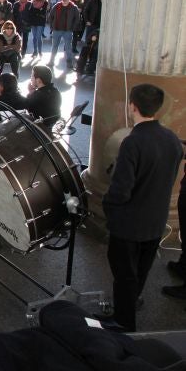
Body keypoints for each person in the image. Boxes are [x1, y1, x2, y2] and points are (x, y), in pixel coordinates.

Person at [101, 85, 183, 332]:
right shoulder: (172, 139)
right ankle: (132, 302)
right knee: (140, 271)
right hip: (156, 222)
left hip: (129, 226)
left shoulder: (132, 142)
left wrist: (108, 207)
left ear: (132, 106)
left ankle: (123, 323)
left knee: (124, 275)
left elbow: (121, 192)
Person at [47, 0, 79, 70]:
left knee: (68, 47)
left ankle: (69, 62)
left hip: (67, 30)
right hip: (56, 30)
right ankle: (51, 61)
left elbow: (77, 19)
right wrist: (51, 26)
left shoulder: (73, 7)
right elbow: (50, 16)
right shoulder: (57, 6)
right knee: (54, 46)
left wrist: (73, 28)